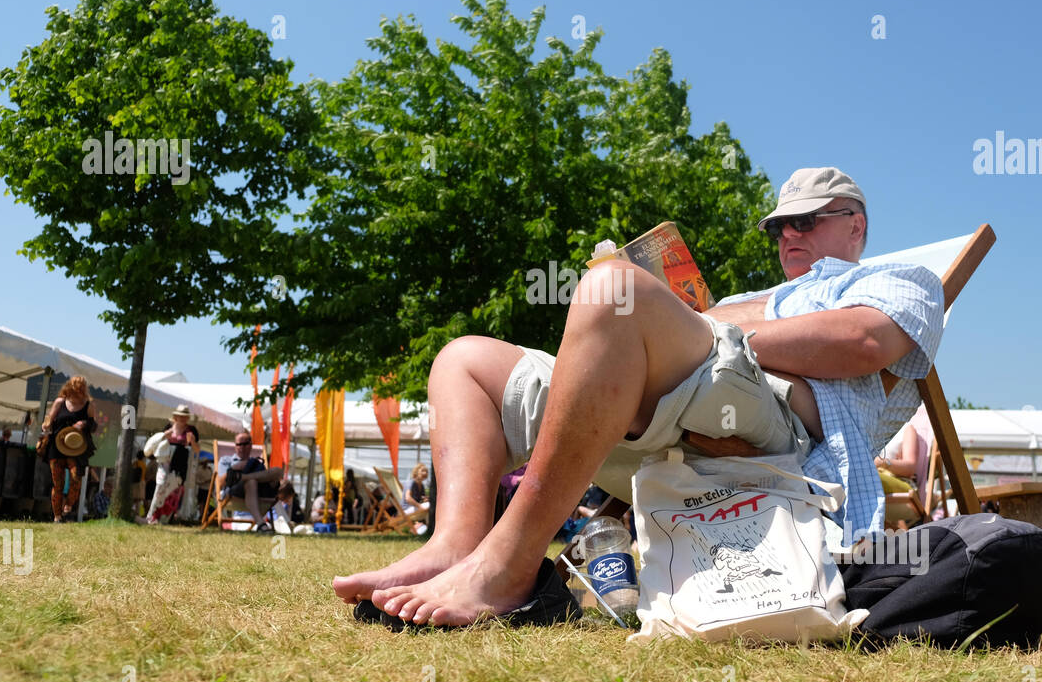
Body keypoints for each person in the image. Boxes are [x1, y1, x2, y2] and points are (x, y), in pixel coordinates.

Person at [334, 166, 946, 627]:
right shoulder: (757, 295)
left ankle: (509, 569)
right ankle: (453, 545)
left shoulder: (896, 281)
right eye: (780, 224)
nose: (788, 232)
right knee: (463, 359)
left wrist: (715, 325)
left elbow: (863, 340)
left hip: (777, 432)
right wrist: (698, 321)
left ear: (855, 224)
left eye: (806, 220)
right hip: (684, 397)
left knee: (611, 291)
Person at [40, 376, 98, 523]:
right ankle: (57, 516)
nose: (78, 392)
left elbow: (94, 426)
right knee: (57, 484)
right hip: (57, 446)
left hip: (77, 448)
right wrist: (45, 426)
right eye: (75, 388)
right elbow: (48, 420)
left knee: (76, 478)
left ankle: (69, 504)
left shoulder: (88, 405)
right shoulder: (60, 402)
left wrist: (84, 423)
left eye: (81, 389)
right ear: (69, 388)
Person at [143, 406, 199, 524]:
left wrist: (192, 441)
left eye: (185, 416)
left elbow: (197, 450)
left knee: (173, 491)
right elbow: (159, 443)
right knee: (160, 486)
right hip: (165, 460)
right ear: (175, 417)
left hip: (181, 463)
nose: (182, 418)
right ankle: (151, 516)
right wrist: (164, 436)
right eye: (180, 416)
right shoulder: (168, 428)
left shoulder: (191, 430)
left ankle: (165, 518)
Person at [216, 431, 284, 528]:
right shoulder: (226, 460)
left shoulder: (256, 462)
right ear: (235, 446)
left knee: (278, 471)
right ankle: (260, 523)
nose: (242, 447)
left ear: (251, 445)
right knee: (251, 482)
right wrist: (234, 468)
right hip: (234, 491)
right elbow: (219, 484)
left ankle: (245, 477)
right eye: (239, 444)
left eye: (245, 444)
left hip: (258, 491)